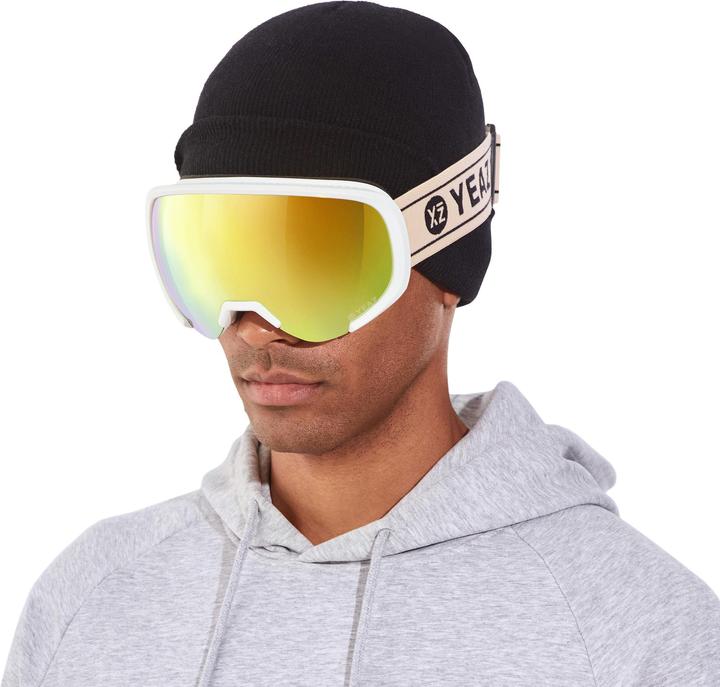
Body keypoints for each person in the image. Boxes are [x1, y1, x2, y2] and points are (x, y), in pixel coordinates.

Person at [3, 2, 719, 685]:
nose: (253, 325)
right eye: (215, 261)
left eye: (318, 264)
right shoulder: (89, 600)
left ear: (446, 262)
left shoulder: (641, 635)